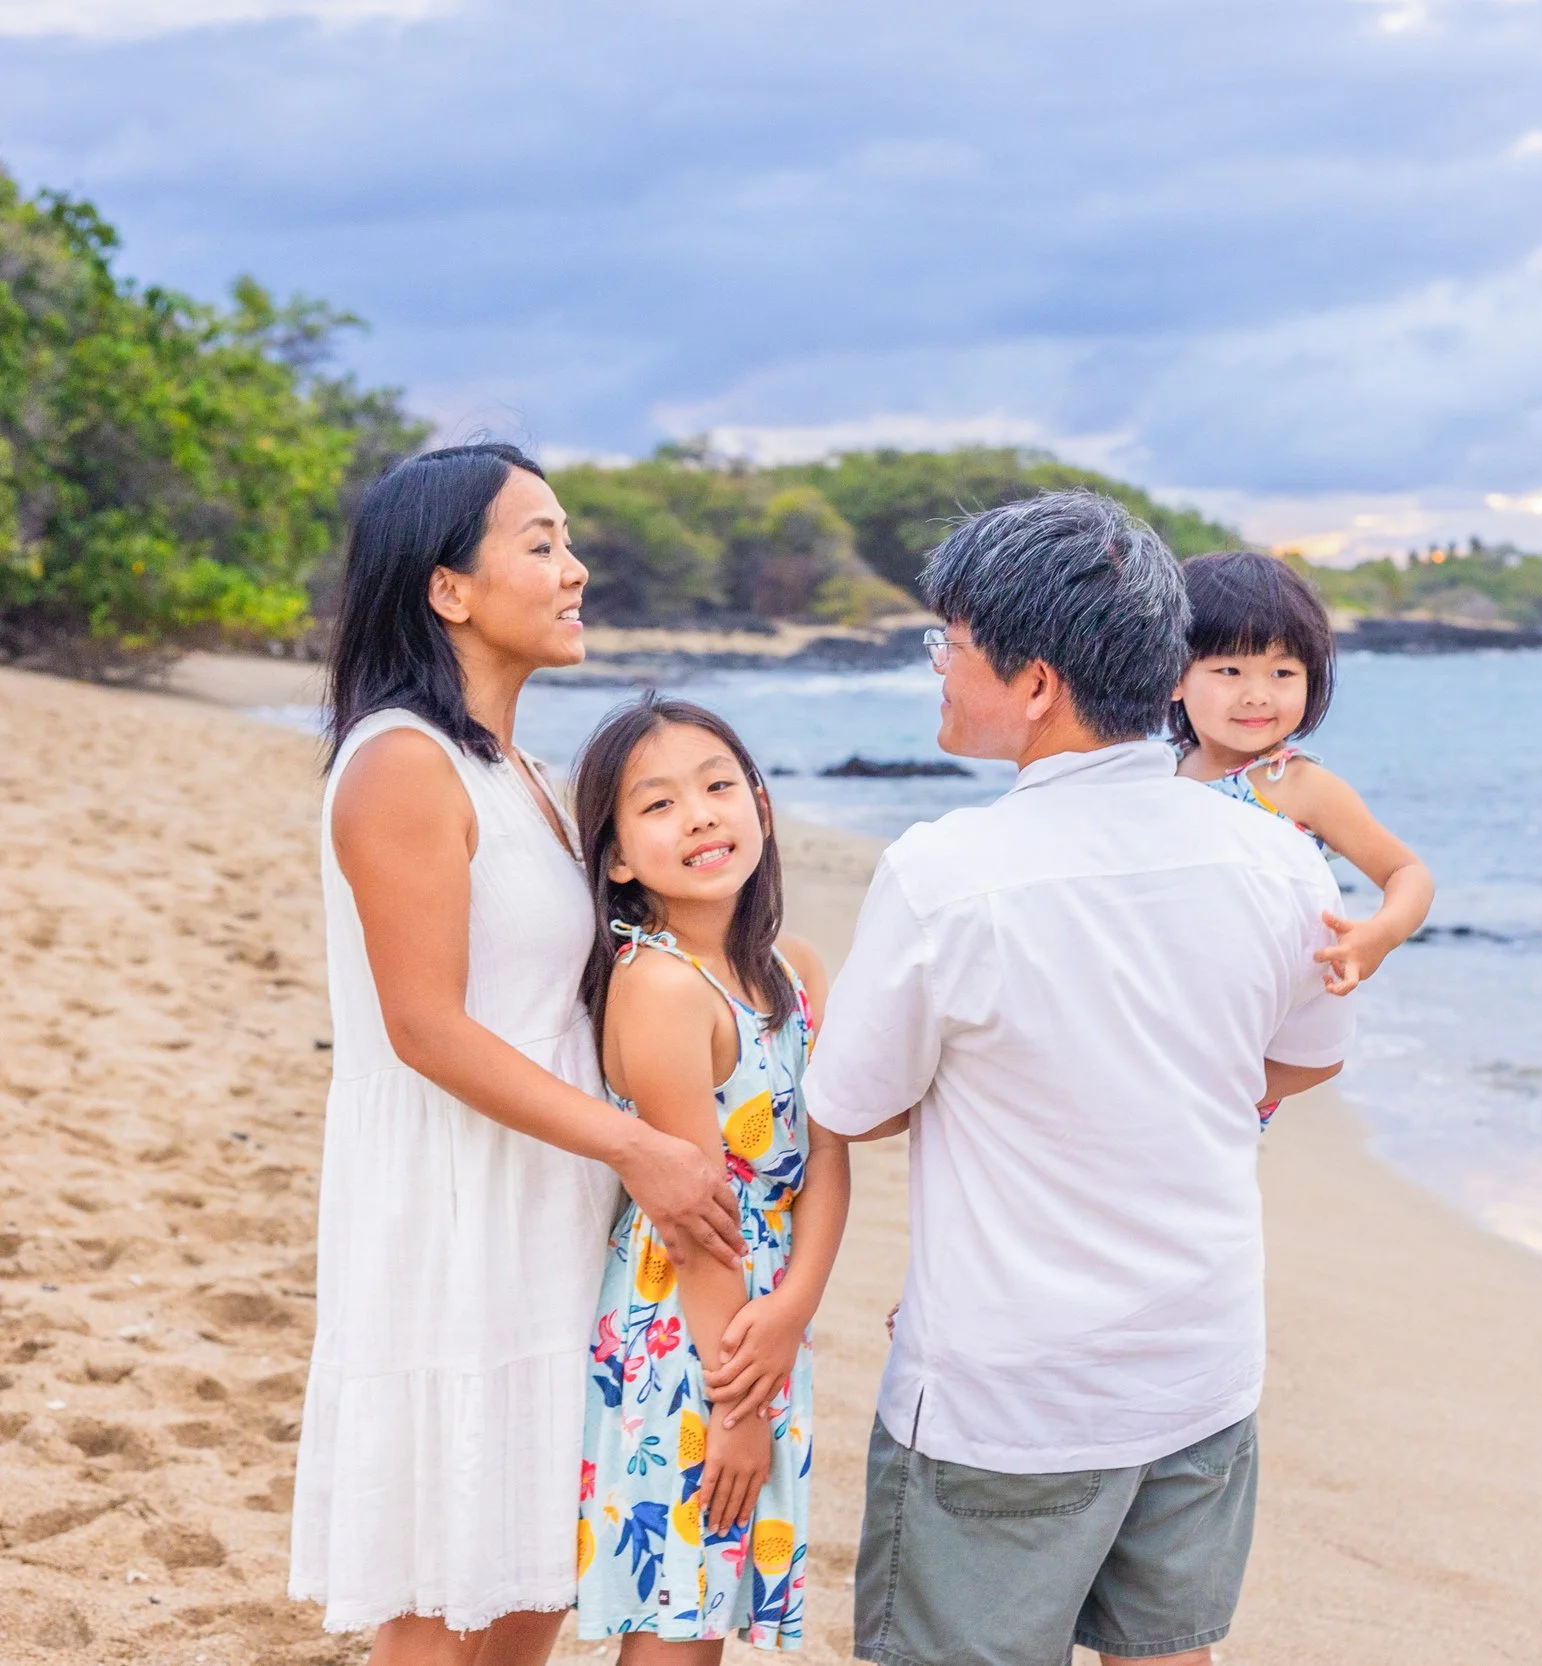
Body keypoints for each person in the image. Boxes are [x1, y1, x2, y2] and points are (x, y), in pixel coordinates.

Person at [803, 492, 1354, 1666]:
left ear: (1036, 679)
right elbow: (1300, 1058)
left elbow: (858, 1102)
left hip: (1010, 1393)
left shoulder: (948, 872)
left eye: (947, 643)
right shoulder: (1273, 854)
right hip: (1198, 1360)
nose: (938, 668)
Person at [293, 444, 749, 1666]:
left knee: (534, 1573)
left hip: (553, 1199)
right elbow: (425, 1026)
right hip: (459, 1210)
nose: (574, 567)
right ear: (449, 589)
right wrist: (642, 1147)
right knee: (446, 1596)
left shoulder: (527, 776)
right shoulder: (401, 761)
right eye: (539, 542)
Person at [570, 694, 849, 1654]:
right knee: (678, 1621)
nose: (698, 816)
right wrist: (737, 1404)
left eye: (719, 786)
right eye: (656, 805)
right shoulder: (656, 987)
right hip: (692, 1335)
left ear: (761, 807)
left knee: (710, 1616)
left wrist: (793, 1310)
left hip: (766, 1323)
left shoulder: (794, 965)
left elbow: (826, 1163)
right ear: (615, 858)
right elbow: (694, 1221)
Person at [1169, 551, 1434, 1127]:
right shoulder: (1157, 770)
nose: (1258, 694)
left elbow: (1407, 874)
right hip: (1175, 998)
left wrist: (1378, 937)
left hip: (1261, 1026)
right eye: (1229, 671)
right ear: (1172, 675)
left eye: (1282, 673)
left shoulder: (1298, 783)